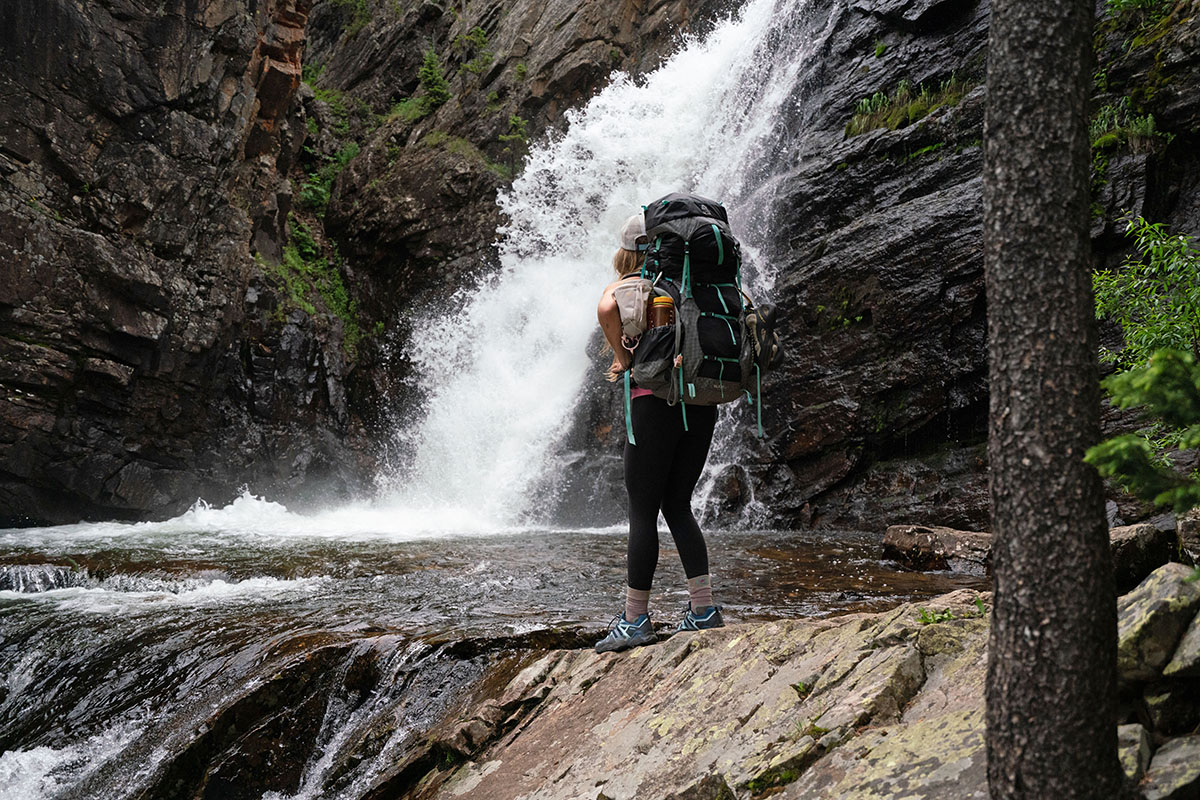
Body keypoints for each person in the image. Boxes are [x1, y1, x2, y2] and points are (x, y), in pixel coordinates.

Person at [593, 212, 725, 653]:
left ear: (630, 250)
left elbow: (606, 308)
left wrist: (622, 357)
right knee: (678, 503)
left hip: (654, 404)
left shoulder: (636, 285)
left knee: (643, 510)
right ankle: (703, 610)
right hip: (702, 403)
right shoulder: (702, 287)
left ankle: (634, 620)